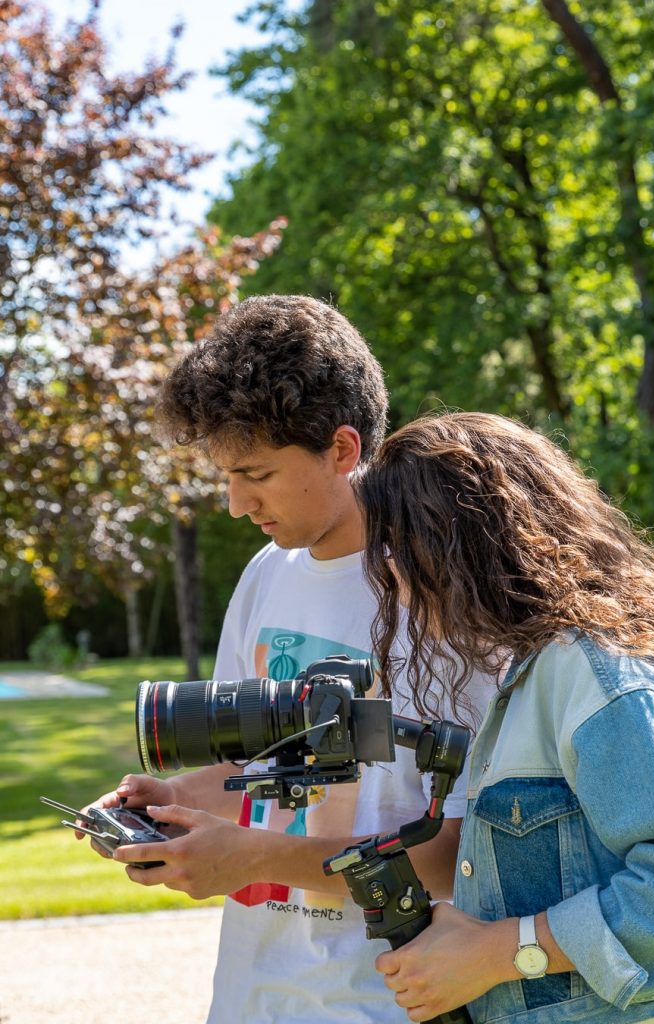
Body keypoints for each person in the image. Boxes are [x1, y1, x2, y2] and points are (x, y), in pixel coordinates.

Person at [80, 296, 489, 1024]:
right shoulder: (266, 574)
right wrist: (173, 800)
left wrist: (255, 858)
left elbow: (467, 853)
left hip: (388, 998)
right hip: (256, 992)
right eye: (226, 476)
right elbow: (264, 767)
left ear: (342, 449)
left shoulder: (445, 602)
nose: (237, 504)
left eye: (256, 474)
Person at [355, 411, 654, 1024]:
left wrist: (501, 952)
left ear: (453, 543)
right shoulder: (537, 672)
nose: (385, 571)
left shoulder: (600, 674)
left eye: (393, 546)